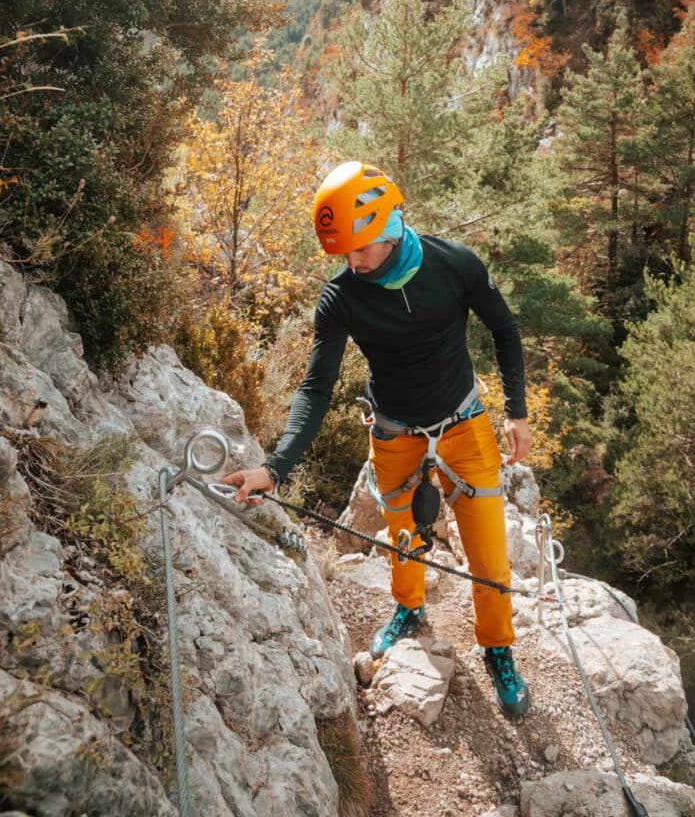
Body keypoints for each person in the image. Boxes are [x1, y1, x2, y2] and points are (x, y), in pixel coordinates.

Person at [223, 160, 532, 719]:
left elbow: (504, 327)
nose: (352, 262)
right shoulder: (341, 297)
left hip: (464, 426)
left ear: (390, 227)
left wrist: (518, 411)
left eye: (361, 249)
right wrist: (276, 467)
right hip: (393, 436)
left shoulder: (454, 264)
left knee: (489, 555)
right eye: (343, 252)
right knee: (403, 538)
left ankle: (498, 647)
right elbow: (316, 389)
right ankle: (409, 608)